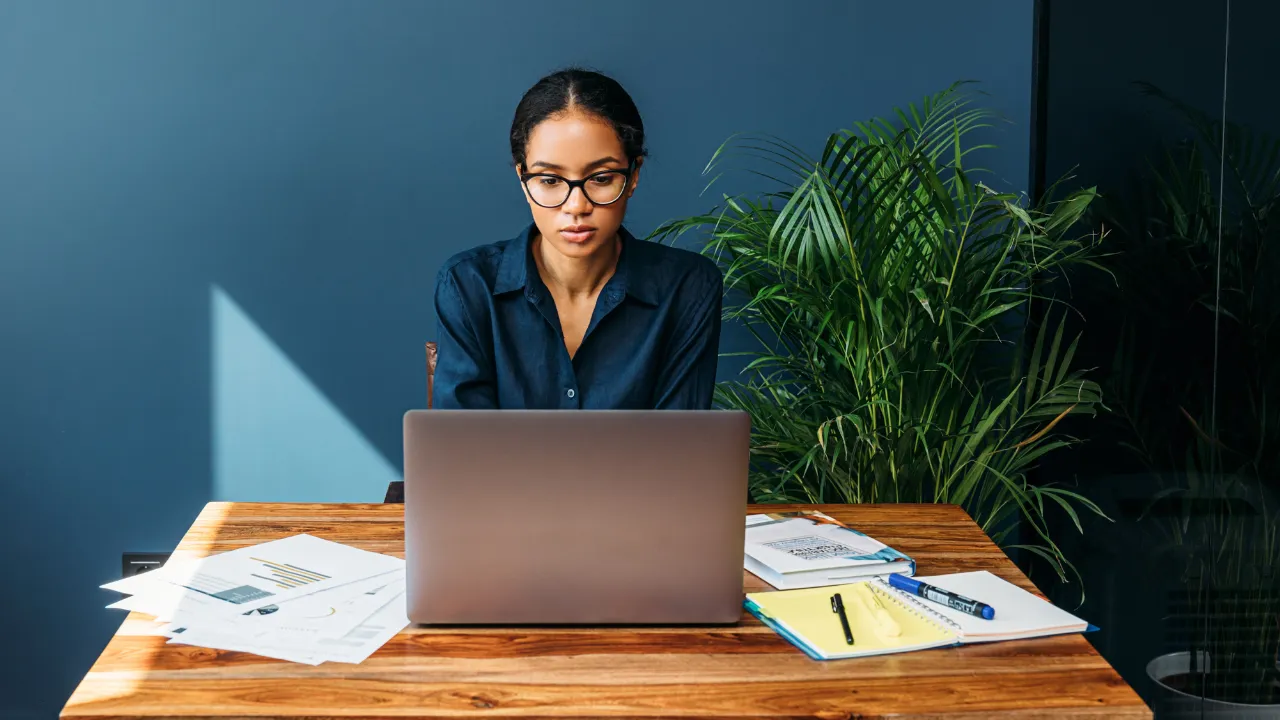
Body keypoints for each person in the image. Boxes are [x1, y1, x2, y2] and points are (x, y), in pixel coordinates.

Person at [431, 68, 724, 409]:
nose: (576, 206)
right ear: (523, 180)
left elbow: (680, 447)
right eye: (550, 180)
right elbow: (463, 450)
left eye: (600, 178)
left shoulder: (687, 287)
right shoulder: (467, 285)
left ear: (633, 176)